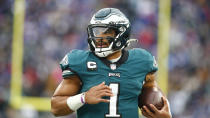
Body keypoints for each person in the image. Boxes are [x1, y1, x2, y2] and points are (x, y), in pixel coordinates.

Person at [51, 8, 172, 118]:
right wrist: (83, 98)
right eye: (97, 31)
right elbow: (55, 107)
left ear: (121, 34)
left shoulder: (142, 61)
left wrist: (164, 115)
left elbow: (151, 90)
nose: (99, 37)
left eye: (107, 32)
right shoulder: (80, 62)